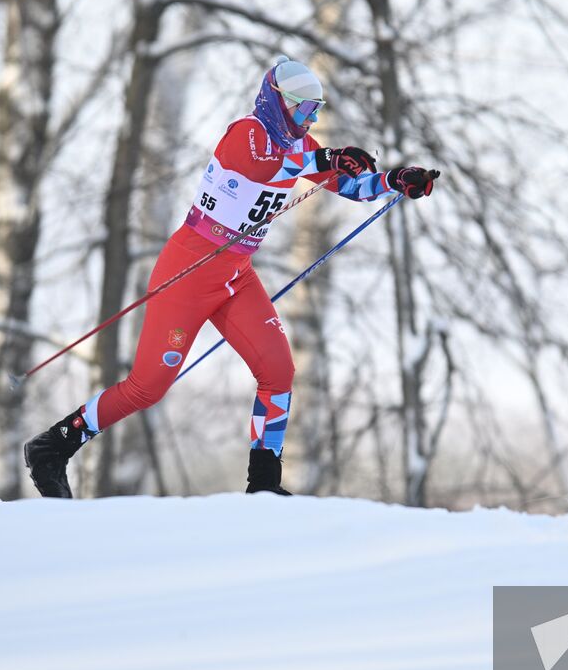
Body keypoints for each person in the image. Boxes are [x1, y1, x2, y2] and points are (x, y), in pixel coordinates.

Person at [23, 57, 440, 497]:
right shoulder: (247, 134)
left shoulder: (301, 146)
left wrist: (395, 179)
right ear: (278, 102)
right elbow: (265, 168)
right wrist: (329, 156)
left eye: (315, 111)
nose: (310, 119)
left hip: (235, 275)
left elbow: (350, 185)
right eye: (304, 109)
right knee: (147, 388)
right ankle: (52, 448)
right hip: (188, 270)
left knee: (278, 368)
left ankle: (263, 485)